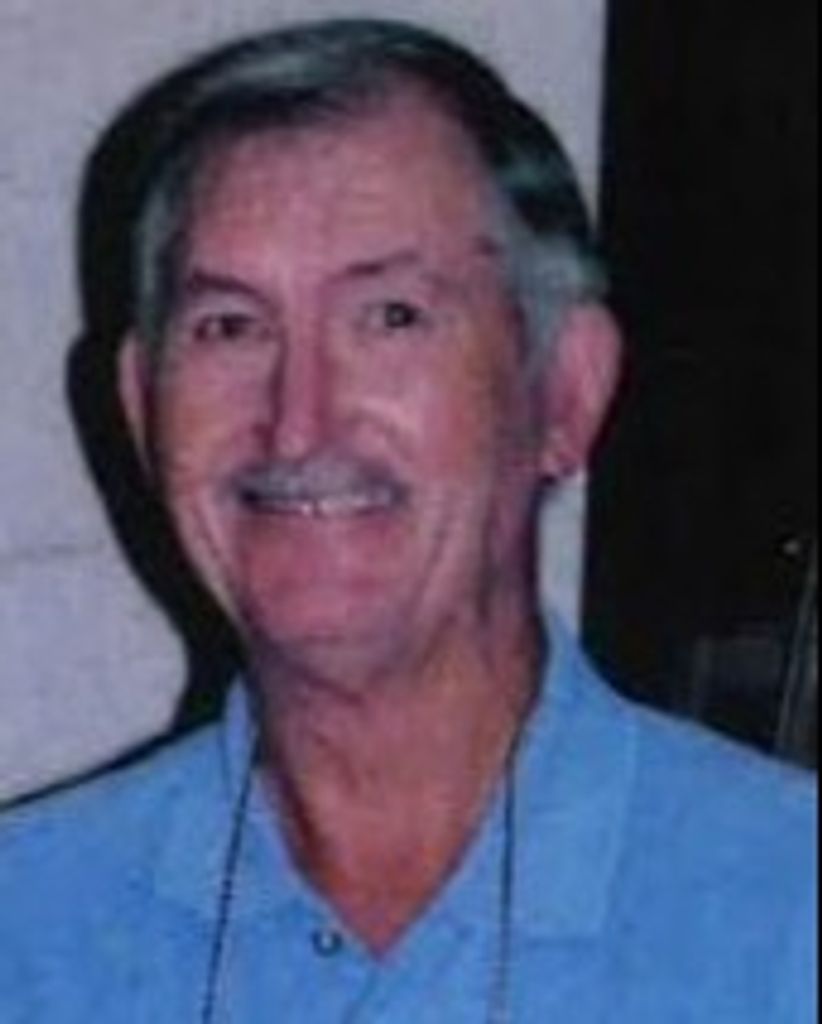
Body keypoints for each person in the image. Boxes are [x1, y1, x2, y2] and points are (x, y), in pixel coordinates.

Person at [0, 19, 816, 1024]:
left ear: (565, 392)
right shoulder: (28, 932)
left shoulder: (788, 917)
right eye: (230, 326)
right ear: (140, 407)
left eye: (391, 316)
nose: (298, 422)